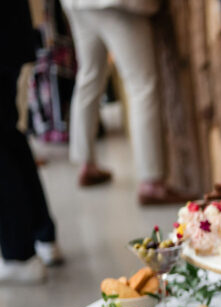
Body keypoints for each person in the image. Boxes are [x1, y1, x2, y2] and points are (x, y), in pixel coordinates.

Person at [61, 0, 187, 204]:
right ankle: (152, 182)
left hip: (76, 4)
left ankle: (85, 164)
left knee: (89, 77)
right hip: (116, 5)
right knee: (142, 87)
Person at [0, 0, 63, 284]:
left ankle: (20, 255)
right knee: (9, 134)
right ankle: (42, 236)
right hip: (10, 32)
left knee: (5, 139)